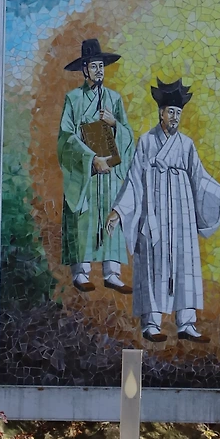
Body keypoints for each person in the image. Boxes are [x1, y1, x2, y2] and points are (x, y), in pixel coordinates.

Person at [106, 79, 220, 341]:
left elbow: (202, 179)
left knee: (185, 261)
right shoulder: (146, 142)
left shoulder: (186, 145)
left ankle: (186, 322)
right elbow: (134, 180)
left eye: (178, 112)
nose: (174, 117)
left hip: (181, 211)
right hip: (153, 211)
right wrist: (119, 210)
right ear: (160, 112)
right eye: (170, 111)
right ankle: (151, 323)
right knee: (152, 262)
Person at [56, 36, 135, 293]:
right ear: (84, 69)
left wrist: (114, 124)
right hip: (86, 172)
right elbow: (66, 138)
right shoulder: (74, 99)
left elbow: (128, 136)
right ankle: (81, 272)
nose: (99, 70)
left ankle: (112, 272)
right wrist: (91, 159)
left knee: (110, 213)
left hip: (109, 172)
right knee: (84, 217)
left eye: (101, 66)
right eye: (94, 66)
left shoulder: (114, 98)